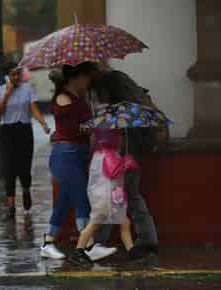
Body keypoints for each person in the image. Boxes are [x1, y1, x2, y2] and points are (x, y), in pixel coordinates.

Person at [40, 62, 116, 261]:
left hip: (76, 155)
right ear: (76, 78)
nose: (89, 81)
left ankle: (47, 243)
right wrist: (92, 126)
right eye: (87, 77)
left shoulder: (78, 98)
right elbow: (75, 129)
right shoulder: (64, 98)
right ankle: (88, 246)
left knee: (64, 202)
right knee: (82, 199)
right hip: (66, 156)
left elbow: (83, 125)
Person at [91, 70, 160, 262]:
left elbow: (111, 140)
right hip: (134, 159)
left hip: (120, 161)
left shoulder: (115, 112)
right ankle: (148, 239)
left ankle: (97, 243)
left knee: (109, 198)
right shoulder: (136, 107)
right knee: (133, 197)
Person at [70, 127, 138, 265]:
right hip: (106, 200)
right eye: (119, 136)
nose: (122, 139)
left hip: (109, 198)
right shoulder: (108, 154)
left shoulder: (99, 154)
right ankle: (78, 251)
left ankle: (132, 252)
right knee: (94, 225)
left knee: (124, 222)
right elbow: (113, 172)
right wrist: (126, 161)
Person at [0, 62, 50, 218]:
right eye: (13, 74)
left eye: (18, 73)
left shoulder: (27, 89)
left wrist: (43, 123)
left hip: (24, 132)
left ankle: (26, 189)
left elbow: (34, 109)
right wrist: (7, 93)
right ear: (7, 76)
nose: (16, 77)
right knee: (9, 170)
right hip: (7, 132)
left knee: (24, 169)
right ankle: (11, 208)